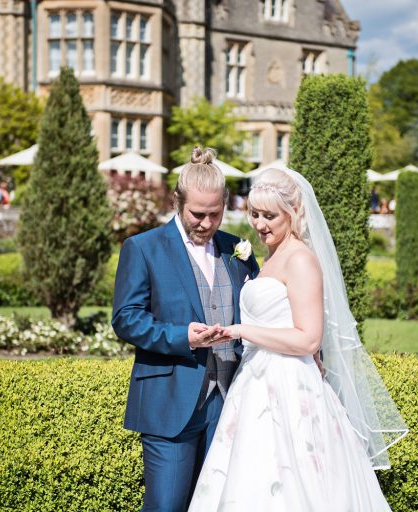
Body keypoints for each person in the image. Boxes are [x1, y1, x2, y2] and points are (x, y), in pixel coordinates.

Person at [188, 168, 407, 511]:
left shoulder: (302, 259)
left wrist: (242, 331)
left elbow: (308, 339)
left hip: (289, 384)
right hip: (254, 380)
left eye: (270, 216)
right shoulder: (273, 257)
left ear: (293, 213)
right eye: (255, 214)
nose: (260, 225)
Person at [112, 147, 260, 511]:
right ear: (178, 201)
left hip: (230, 403)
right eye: (197, 213)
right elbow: (126, 317)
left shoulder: (235, 250)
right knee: (166, 507)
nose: (206, 224)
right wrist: (183, 338)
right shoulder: (144, 248)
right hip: (170, 402)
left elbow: (260, 309)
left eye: (215, 214)